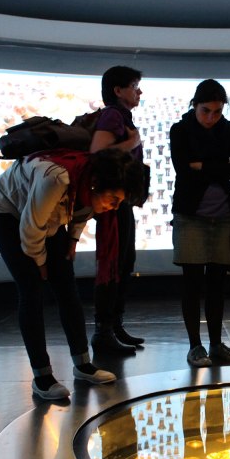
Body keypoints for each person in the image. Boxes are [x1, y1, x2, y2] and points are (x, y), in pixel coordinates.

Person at [0, 148, 137, 395]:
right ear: (97, 185)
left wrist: (72, 240)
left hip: (45, 218)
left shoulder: (87, 179)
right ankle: (42, 377)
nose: (114, 207)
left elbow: (81, 210)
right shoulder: (55, 180)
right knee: (31, 290)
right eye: (113, 199)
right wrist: (40, 263)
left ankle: (83, 364)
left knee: (67, 287)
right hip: (10, 214)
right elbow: (31, 229)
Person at [169, 79, 230, 367]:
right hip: (190, 215)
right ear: (195, 105)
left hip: (224, 214)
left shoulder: (229, 129)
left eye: (217, 111)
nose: (212, 118)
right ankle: (195, 346)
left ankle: (215, 344)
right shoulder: (180, 129)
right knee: (192, 282)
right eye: (206, 111)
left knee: (217, 283)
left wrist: (202, 165)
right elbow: (182, 170)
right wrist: (219, 167)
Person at [89, 65, 146, 355]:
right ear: (118, 90)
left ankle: (114, 325)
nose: (139, 91)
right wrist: (131, 142)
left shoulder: (122, 116)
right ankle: (104, 331)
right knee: (113, 262)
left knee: (124, 262)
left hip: (121, 201)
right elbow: (97, 154)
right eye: (135, 86)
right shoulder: (112, 115)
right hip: (112, 203)